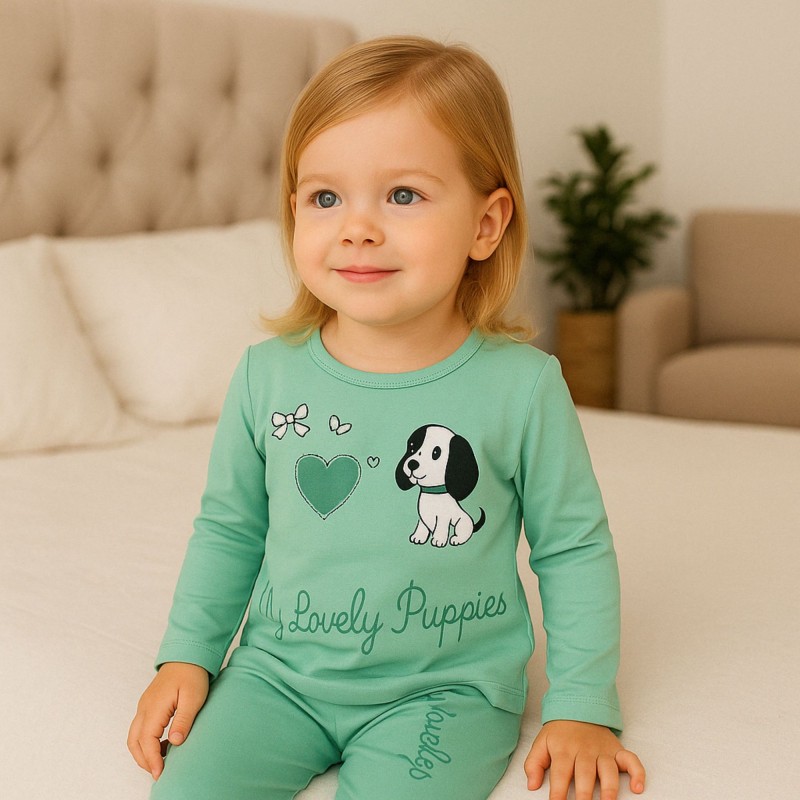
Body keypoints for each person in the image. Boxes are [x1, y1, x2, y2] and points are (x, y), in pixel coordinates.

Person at [128, 35, 646, 800]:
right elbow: (230, 528)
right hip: (277, 677)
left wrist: (582, 705)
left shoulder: (523, 387)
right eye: (325, 198)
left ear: (486, 224)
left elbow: (572, 548)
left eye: (402, 195)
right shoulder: (266, 376)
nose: (357, 227)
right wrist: (187, 656)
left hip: (446, 693)